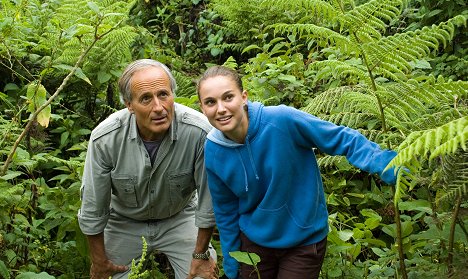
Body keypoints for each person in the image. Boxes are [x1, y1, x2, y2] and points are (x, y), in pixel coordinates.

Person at [196, 66, 404, 279]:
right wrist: (232, 261)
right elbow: (225, 209)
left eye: (228, 97)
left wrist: (386, 163)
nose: (220, 109)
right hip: (254, 241)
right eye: (211, 102)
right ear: (203, 108)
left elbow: (340, 138)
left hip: (303, 239)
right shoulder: (213, 149)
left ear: (244, 97)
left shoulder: (281, 120)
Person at [78, 59, 218, 279]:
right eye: (145, 99)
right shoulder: (105, 139)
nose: (159, 107)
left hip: (179, 217)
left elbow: (208, 201)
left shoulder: (199, 132)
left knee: (202, 276)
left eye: (164, 94)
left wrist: (200, 255)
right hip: (124, 220)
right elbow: (93, 207)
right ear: (129, 105)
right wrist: (99, 262)